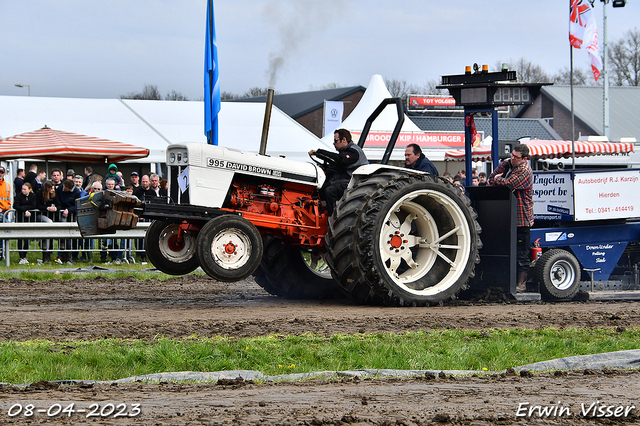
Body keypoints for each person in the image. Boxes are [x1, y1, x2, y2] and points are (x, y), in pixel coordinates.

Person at [489, 144, 534, 292]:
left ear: (524, 159)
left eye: (516, 157)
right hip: (506, 216)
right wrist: (497, 178)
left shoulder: (525, 171)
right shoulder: (507, 164)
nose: (512, 158)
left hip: (521, 219)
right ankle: (505, 282)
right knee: (506, 250)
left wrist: (498, 180)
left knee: (521, 253)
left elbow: (510, 184)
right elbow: (491, 178)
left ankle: (521, 284)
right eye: (512, 155)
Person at [308, 129, 368, 216]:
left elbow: (341, 160)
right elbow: (337, 166)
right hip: (344, 180)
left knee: (330, 190)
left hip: (355, 183)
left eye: (335, 140)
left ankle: (334, 218)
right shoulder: (344, 152)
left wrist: (319, 152)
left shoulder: (354, 151)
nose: (333, 143)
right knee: (318, 187)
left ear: (344, 140)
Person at [56, 179, 81, 263]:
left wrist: (69, 209)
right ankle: (61, 255)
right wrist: (60, 209)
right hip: (62, 213)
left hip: (72, 214)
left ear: (70, 188)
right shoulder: (59, 189)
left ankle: (70, 256)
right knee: (62, 236)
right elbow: (57, 200)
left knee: (70, 236)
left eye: (65, 188)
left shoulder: (76, 192)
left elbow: (77, 204)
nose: (63, 188)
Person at [36, 181, 60, 263]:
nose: (53, 190)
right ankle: (45, 255)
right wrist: (47, 208)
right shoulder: (39, 193)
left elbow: (59, 204)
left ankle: (49, 252)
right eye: (51, 188)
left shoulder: (55, 194)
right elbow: (37, 205)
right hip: (41, 215)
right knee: (49, 224)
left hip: (53, 217)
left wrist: (56, 208)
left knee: (50, 235)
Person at [14, 182, 38, 264]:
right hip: (20, 219)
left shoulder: (33, 196)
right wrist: (25, 210)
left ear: (30, 190)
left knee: (27, 238)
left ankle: (25, 255)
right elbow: (16, 206)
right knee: (20, 238)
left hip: (29, 220)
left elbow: (34, 205)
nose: (23, 190)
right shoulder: (18, 196)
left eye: (25, 189)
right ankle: (21, 256)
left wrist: (24, 208)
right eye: (22, 189)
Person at [0, 166, 12, 260]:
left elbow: (8, 202)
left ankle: (2, 254)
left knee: (4, 234)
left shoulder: (7, 186)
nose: (0, 174)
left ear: (4, 173)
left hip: (4, 213)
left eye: (1, 172)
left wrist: (6, 209)